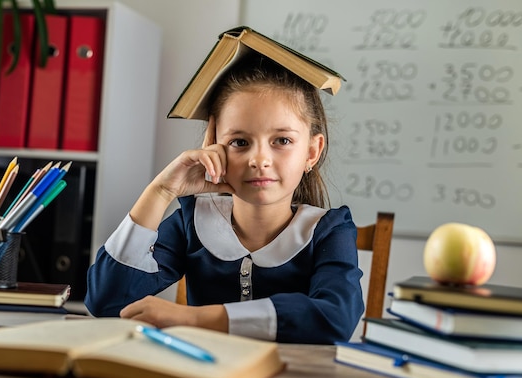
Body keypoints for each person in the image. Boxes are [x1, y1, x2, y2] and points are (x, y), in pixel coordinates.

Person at [85, 54, 364, 344]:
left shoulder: (329, 231)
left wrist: (193, 319)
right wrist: (161, 191)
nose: (259, 160)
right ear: (213, 145)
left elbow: (336, 318)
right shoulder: (192, 221)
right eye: (239, 142)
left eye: (282, 140)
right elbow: (106, 302)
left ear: (311, 152)